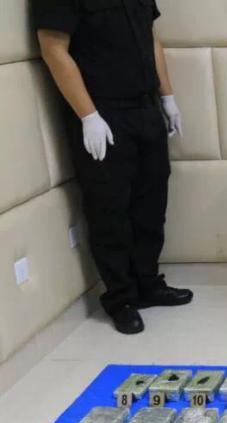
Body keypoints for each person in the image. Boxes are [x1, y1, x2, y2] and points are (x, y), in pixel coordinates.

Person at [35, 0, 192, 335]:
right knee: (109, 209)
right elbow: (53, 48)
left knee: (151, 203)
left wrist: (167, 97)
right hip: (102, 112)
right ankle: (121, 298)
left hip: (145, 105)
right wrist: (88, 116)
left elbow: (151, 36)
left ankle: (148, 282)